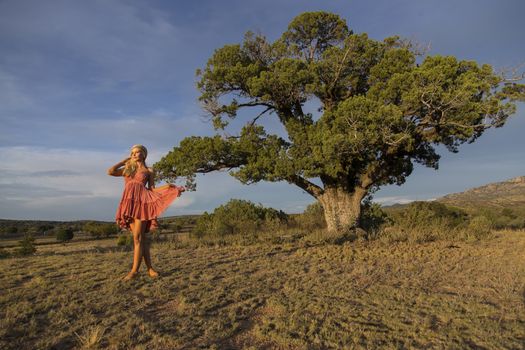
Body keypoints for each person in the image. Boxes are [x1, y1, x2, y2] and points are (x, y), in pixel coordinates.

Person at [107, 144, 184, 280]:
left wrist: (169, 187)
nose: (135, 154)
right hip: (129, 203)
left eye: (138, 152)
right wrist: (124, 161)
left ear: (144, 154)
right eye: (133, 153)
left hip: (142, 204)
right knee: (141, 240)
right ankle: (150, 269)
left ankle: (134, 271)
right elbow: (110, 171)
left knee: (138, 238)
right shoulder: (127, 169)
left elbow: (152, 189)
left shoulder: (149, 170)